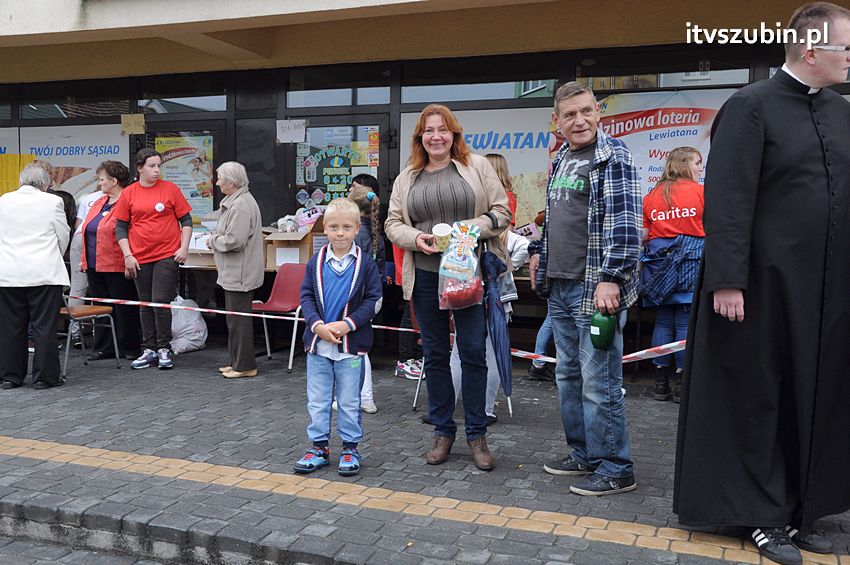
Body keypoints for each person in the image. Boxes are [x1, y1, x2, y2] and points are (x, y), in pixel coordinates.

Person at [674, 4, 850, 563]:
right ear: (811, 50)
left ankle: (802, 509)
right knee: (762, 398)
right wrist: (727, 280)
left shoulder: (843, 112)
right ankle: (760, 515)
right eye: (846, 46)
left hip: (828, 289)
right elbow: (728, 200)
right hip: (762, 288)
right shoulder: (750, 107)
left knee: (817, 395)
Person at [529, 81, 641, 495]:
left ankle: (616, 466)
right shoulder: (561, 158)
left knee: (601, 382)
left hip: (594, 289)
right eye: (569, 115)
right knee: (569, 377)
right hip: (560, 286)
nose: (579, 120)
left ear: (599, 113)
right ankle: (585, 454)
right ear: (556, 122)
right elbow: (555, 217)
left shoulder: (613, 156)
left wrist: (611, 278)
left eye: (585, 111)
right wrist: (540, 251)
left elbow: (627, 227)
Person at [385, 103, 511, 471]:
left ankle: (477, 434)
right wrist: (416, 237)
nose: (436, 136)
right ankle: (443, 431)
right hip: (425, 274)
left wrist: (469, 229)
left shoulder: (477, 166)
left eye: (443, 129)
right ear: (420, 138)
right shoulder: (407, 176)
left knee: (472, 352)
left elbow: (501, 213)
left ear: (454, 134)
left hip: (467, 272)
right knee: (436, 355)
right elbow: (393, 223)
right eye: (429, 131)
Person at [294, 198, 382, 476]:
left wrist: (348, 325)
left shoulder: (366, 264)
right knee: (317, 399)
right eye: (334, 227)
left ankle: (350, 448)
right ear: (325, 229)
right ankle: (319, 447)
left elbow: (374, 300)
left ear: (357, 229)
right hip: (318, 347)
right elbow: (306, 296)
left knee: (348, 401)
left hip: (350, 347)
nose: (340, 233)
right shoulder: (315, 262)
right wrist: (317, 325)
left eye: (346, 227)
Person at [114, 148, 193, 371]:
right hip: (139, 255)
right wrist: (127, 255)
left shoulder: (170, 189)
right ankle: (148, 348)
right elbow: (120, 227)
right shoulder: (129, 193)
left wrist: (183, 248)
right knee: (145, 302)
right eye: (152, 166)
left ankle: (163, 347)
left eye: (159, 166)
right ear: (140, 168)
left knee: (160, 301)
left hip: (166, 253)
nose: (157, 170)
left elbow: (186, 220)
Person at [639, 147, 704, 403]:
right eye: (698, 163)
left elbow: (644, 236)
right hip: (690, 264)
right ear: (685, 164)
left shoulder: (652, 195)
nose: (701, 168)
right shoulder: (701, 193)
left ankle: (659, 383)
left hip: (658, 268)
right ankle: (680, 384)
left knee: (663, 321)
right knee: (685, 323)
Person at [0, 164, 70, 390]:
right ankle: (44, 377)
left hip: (8, 273)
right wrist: (53, 256)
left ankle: (10, 376)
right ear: (45, 184)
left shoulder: (3, 201)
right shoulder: (53, 202)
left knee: (10, 327)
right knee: (44, 326)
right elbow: (63, 235)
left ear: (21, 181)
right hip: (44, 273)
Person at [450, 226, 529, 425]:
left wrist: (508, 265)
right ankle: (486, 409)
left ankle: (449, 407)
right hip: (496, 297)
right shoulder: (504, 234)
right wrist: (508, 266)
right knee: (491, 353)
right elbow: (525, 245)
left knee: (460, 352)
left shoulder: (467, 230)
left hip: (471, 294)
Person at [206, 161, 264, 379]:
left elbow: (234, 240)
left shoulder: (240, 205)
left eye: (220, 178)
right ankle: (237, 361)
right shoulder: (237, 201)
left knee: (239, 321)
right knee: (234, 320)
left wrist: (213, 241)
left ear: (231, 182)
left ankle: (244, 365)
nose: (217, 182)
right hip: (236, 271)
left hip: (240, 272)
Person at [79, 161, 141, 361]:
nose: (100, 183)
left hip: (116, 264)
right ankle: (104, 346)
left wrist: (128, 259)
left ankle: (129, 347)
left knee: (124, 308)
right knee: (100, 307)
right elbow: (87, 231)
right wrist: (83, 260)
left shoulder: (128, 201)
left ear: (114, 181)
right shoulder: (99, 202)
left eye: (102, 179)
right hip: (94, 264)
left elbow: (131, 234)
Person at [348, 176, 385, 413]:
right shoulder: (375, 235)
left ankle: (363, 396)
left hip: (358, 299)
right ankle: (358, 395)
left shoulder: (354, 236)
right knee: (357, 348)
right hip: (372, 296)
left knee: (356, 350)